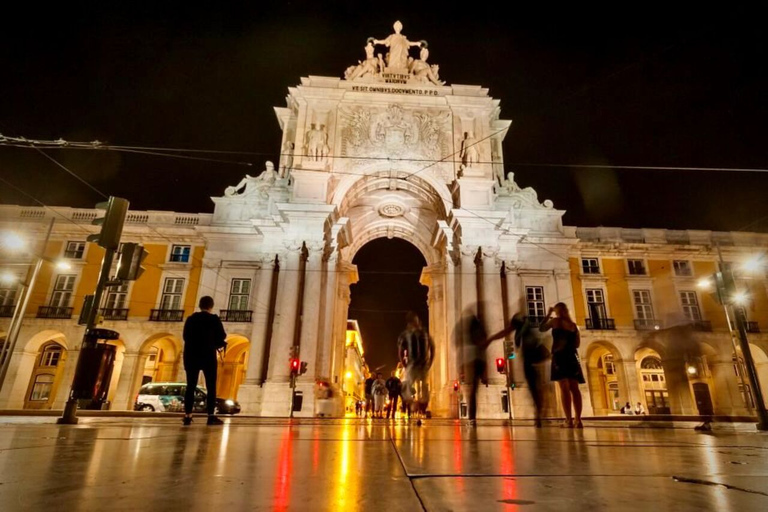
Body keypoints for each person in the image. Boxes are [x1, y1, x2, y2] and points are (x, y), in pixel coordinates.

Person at [487, 312, 550, 427]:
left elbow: (505, 332)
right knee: (537, 387)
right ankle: (539, 412)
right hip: (534, 358)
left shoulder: (522, 328)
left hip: (531, 358)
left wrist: (491, 339)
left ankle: (539, 412)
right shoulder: (527, 326)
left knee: (535, 388)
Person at [182, 296, 227, 426]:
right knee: (211, 386)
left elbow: (185, 336)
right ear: (211, 306)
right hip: (208, 355)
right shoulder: (213, 319)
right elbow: (222, 336)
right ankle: (211, 416)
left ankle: (188, 415)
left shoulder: (191, 319)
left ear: (200, 305)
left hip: (191, 356)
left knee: (190, 386)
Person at [540, 302, 585, 428]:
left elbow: (541, 328)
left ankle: (568, 420)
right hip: (572, 356)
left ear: (558, 311)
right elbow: (577, 345)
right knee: (575, 389)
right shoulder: (574, 326)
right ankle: (578, 420)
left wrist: (548, 314)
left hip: (559, 356)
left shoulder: (555, 321)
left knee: (564, 388)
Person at [398, 312, 435, 423]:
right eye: (414, 321)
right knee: (406, 386)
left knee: (424, 387)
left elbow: (432, 347)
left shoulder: (425, 334)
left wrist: (430, 361)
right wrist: (404, 364)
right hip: (412, 364)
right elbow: (400, 350)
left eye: (417, 321)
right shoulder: (405, 335)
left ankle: (421, 406)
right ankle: (413, 404)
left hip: (422, 364)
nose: (416, 323)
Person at [464, 313, 489, 423]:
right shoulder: (480, 333)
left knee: (473, 390)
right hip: (480, 361)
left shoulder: (470, 336)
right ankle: (472, 415)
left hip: (473, 361)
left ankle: (471, 416)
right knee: (474, 389)